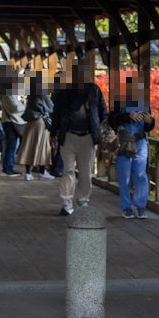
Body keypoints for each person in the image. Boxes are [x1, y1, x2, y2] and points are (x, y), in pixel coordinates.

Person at [49, 58, 109, 216]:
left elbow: (103, 112)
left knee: (85, 171)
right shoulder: (63, 92)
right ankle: (66, 203)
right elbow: (55, 114)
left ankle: (83, 200)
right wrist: (53, 134)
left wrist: (105, 132)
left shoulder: (94, 90)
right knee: (68, 170)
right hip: (68, 136)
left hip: (88, 137)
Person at [109, 76, 155, 218]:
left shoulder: (144, 104)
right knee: (124, 176)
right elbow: (112, 121)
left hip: (140, 142)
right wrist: (128, 116)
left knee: (141, 175)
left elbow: (150, 125)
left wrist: (149, 122)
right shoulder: (118, 103)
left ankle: (141, 206)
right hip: (125, 142)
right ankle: (126, 207)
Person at [15, 73, 55, 180]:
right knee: (42, 146)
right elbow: (51, 107)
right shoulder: (42, 93)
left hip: (30, 122)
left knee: (29, 146)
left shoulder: (31, 93)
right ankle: (42, 172)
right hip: (39, 122)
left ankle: (28, 172)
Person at [0, 72, 27, 176]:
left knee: (12, 145)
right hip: (11, 122)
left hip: (12, 121)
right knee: (11, 146)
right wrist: (25, 106)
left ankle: (10, 166)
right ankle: (7, 168)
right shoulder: (8, 93)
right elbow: (15, 107)